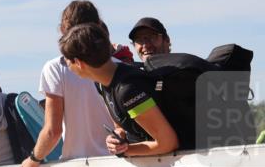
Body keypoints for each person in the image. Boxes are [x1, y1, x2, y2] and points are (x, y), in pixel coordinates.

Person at [18, 0, 115, 167]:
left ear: (63, 29)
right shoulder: (117, 66)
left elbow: (52, 131)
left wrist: (33, 159)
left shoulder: (56, 68)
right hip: (119, 164)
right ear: (99, 27)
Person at [60, 23, 179, 156]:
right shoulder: (102, 83)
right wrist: (117, 137)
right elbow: (121, 125)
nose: (67, 66)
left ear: (79, 63)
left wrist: (126, 151)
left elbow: (167, 143)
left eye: (66, 62)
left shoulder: (128, 90)